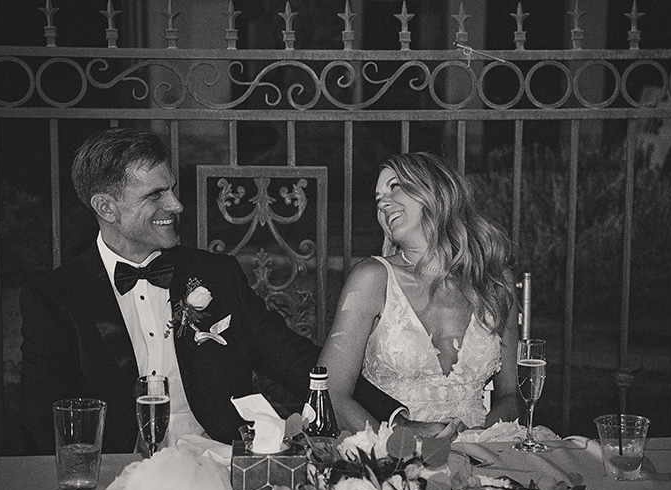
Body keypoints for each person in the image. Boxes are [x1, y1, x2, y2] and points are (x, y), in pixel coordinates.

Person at [20, 127, 401, 454]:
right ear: (106, 207)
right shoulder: (55, 298)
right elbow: (47, 424)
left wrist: (399, 418)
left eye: (172, 189)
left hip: (220, 462)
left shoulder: (214, 275)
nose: (177, 204)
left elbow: (295, 361)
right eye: (155, 195)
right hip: (116, 477)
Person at [319, 152, 522, 434]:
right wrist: (395, 440)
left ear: (436, 193)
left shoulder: (495, 281)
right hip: (395, 455)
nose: (383, 203)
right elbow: (330, 393)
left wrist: (476, 436)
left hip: (484, 447)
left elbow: (511, 394)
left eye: (395, 187)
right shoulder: (372, 279)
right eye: (378, 199)